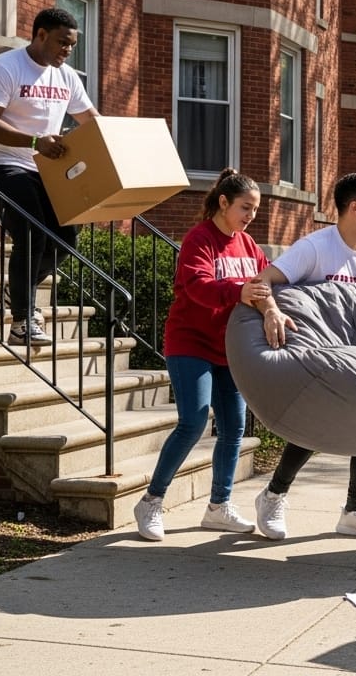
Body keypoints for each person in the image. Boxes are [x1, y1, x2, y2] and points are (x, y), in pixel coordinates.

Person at [249, 172, 356, 542]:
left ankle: (355, 510)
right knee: (313, 426)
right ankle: (273, 496)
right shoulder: (315, 248)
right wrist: (270, 311)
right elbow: (262, 281)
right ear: (354, 207)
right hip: (320, 359)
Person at [132, 170, 271, 541]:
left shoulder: (247, 244)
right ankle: (151, 502)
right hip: (190, 342)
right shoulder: (200, 239)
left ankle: (218, 507)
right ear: (223, 202)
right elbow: (196, 287)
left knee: (234, 429)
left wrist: (271, 307)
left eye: (255, 209)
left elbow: (263, 283)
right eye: (245, 207)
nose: (250, 216)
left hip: (229, 347)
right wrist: (238, 292)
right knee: (193, 421)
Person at [0, 7, 97, 346]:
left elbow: (90, 119)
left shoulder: (67, 76)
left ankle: (16, 290)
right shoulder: (3, 68)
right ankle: (23, 321)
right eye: (61, 43)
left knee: (66, 238)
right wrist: (37, 141)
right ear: (40, 35)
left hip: (43, 164)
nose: (67, 51)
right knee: (31, 232)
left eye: (71, 45)